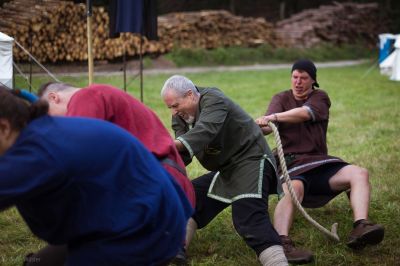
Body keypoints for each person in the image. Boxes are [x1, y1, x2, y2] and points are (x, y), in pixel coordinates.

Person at [0, 85, 193, 265]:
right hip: (145, 207)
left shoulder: (37, 152)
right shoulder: (42, 132)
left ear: (4, 128)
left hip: (145, 228)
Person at [255, 59, 384, 264]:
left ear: (313, 80)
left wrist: (273, 116)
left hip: (319, 162)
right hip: (291, 164)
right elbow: (268, 127)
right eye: (294, 77)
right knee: (292, 189)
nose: (298, 82)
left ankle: (361, 226)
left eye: (303, 78)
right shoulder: (281, 97)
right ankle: (282, 243)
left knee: (359, 173)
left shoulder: (319, 97)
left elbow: (304, 114)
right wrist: (259, 124)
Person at [161, 75, 288, 266]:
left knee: (248, 219)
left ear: (190, 95)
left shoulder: (213, 99)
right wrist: (159, 167)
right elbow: (184, 153)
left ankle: (278, 261)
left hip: (251, 160)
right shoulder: (180, 116)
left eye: (175, 105)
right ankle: (174, 251)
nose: (174, 111)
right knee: (186, 198)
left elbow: (204, 131)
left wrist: (162, 146)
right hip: (226, 170)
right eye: (170, 107)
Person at [37, 82, 195, 207]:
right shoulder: (100, 95)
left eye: (50, 118)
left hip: (159, 187)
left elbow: (78, 153)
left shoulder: (85, 96)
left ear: (53, 97)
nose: (55, 124)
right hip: (171, 188)